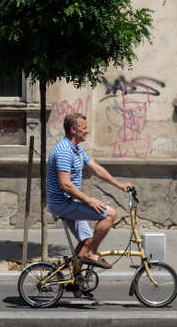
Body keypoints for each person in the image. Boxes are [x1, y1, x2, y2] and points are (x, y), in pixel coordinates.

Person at [47, 113, 131, 269]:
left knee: (86, 240)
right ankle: (91, 253)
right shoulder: (64, 151)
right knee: (110, 214)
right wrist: (89, 200)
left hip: (70, 201)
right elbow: (65, 185)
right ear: (73, 130)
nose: (87, 131)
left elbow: (96, 169)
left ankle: (75, 280)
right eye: (84, 128)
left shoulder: (76, 149)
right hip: (62, 203)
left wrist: (119, 185)